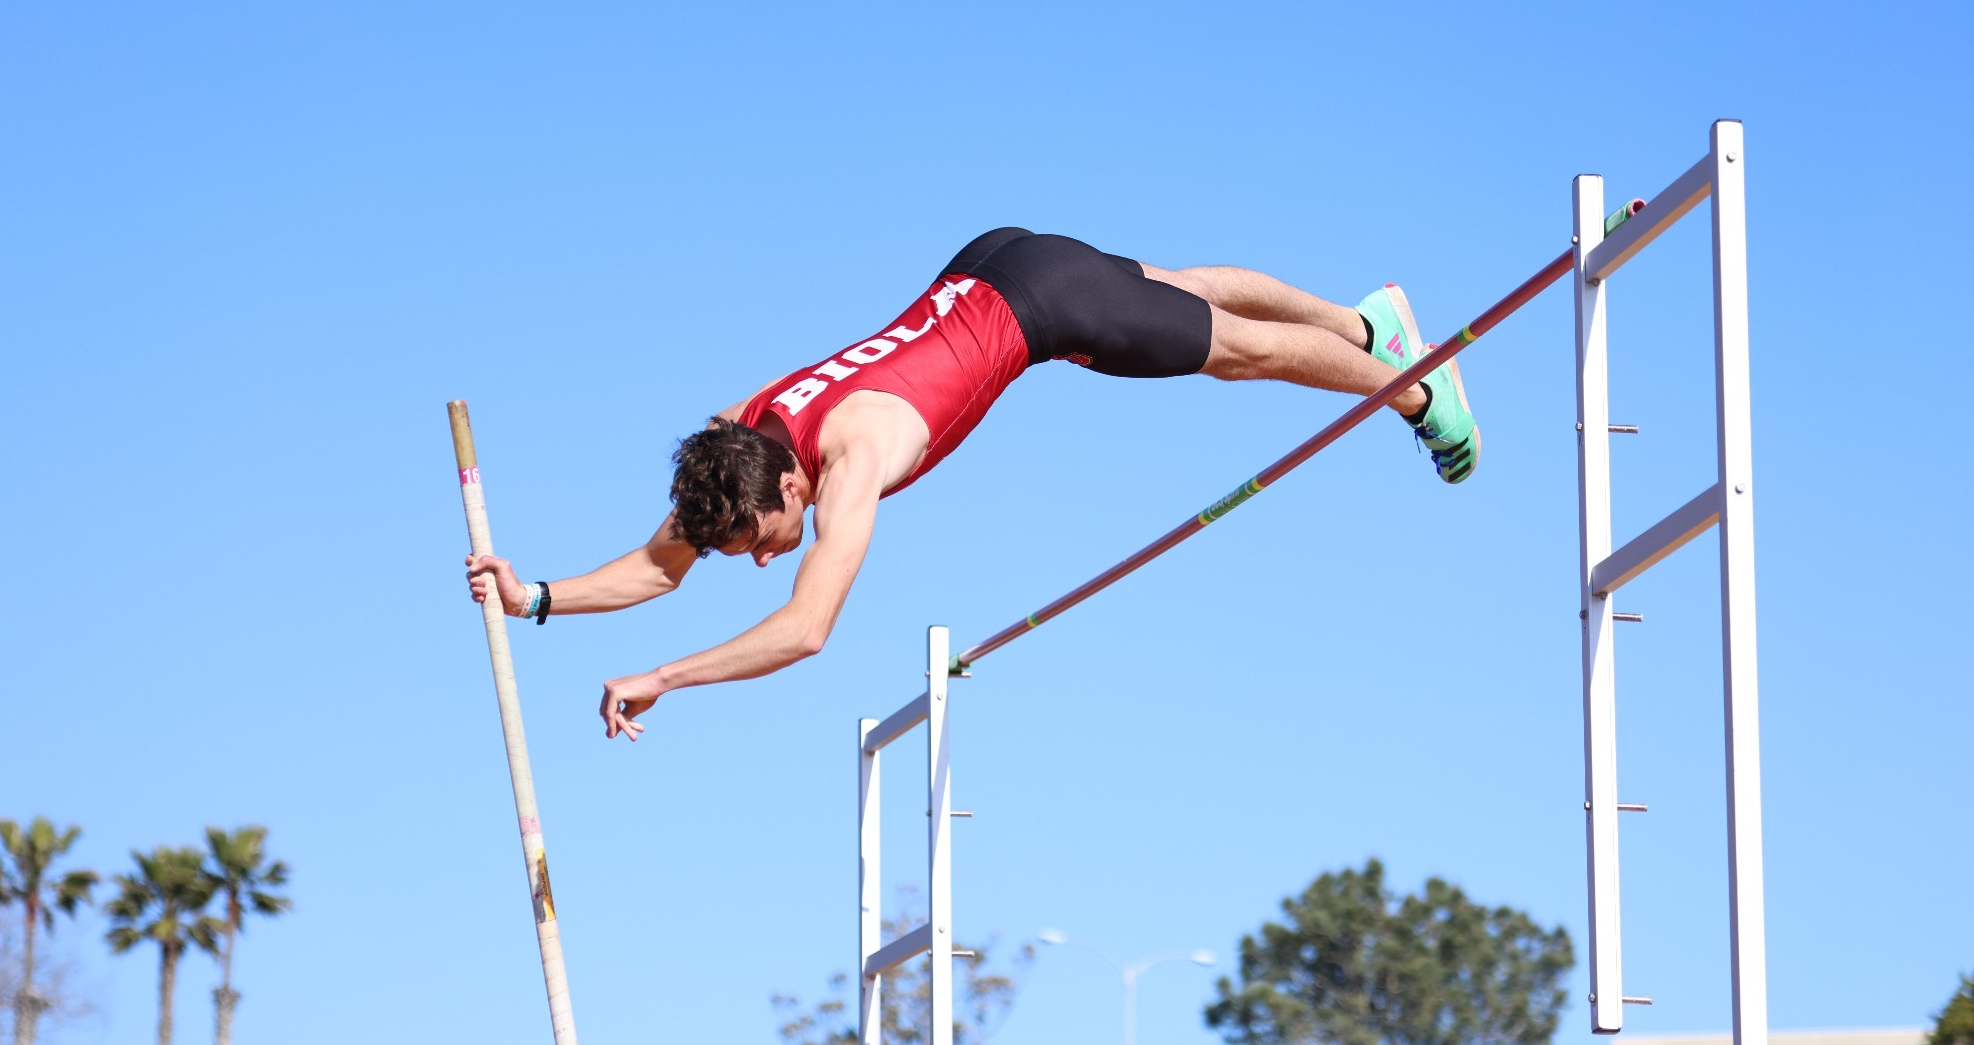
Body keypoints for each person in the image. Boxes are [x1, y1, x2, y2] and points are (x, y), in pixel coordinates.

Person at [465, 227, 1480, 741]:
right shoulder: (739, 439)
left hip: (1037, 305)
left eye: (765, 541)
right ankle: (1364, 324)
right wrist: (538, 599)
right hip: (988, 259)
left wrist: (665, 677)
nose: (766, 556)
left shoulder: (852, 457)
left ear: (784, 487)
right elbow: (658, 565)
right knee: (1174, 297)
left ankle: (1412, 384)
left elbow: (804, 630)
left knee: (1236, 354)